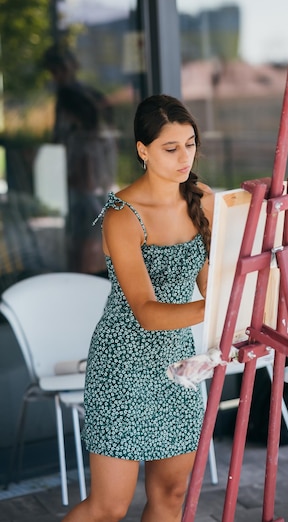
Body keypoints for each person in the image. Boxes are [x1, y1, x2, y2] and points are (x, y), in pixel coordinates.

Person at [62, 94, 214, 522]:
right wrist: (217, 306)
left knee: (171, 494)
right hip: (122, 365)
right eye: (171, 148)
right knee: (109, 507)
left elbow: (208, 280)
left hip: (178, 363)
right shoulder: (121, 214)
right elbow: (146, 311)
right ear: (142, 150)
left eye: (190, 143)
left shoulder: (200, 197)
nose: (184, 156)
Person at [43, 44, 117, 275]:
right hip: (87, 182)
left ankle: (82, 279)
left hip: (86, 182)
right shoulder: (82, 96)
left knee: (86, 239)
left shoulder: (74, 97)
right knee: (83, 236)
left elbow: (81, 139)